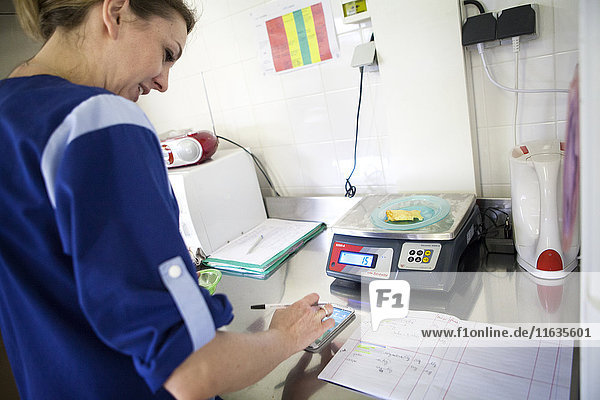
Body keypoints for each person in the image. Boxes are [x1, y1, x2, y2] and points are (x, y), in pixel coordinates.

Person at [0, 1, 335, 399]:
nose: (163, 83)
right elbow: (193, 370)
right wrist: (286, 336)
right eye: (167, 53)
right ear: (116, 11)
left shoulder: (11, 114)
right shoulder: (100, 121)